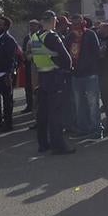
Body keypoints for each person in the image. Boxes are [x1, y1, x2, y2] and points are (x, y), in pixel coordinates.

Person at [30, 11, 75, 155]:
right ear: (52, 20)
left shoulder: (35, 37)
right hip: (54, 77)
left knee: (42, 114)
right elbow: (66, 58)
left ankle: (43, 144)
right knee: (55, 114)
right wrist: (67, 70)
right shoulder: (52, 36)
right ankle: (59, 146)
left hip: (42, 76)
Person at [67, 15, 103, 140]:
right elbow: (66, 52)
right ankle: (83, 129)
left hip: (90, 75)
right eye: (74, 22)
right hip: (76, 75)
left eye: (78, 22)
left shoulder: (90, 35)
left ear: (83, 22)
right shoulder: (70, 36)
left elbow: (97, 52)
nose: (76, 25)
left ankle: (96, 129)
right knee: (79, 104)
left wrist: (91, 67)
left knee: (93, 104)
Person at [0, 16, 19, 133]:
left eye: (0, 24)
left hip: (4, 75)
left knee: (7, 101)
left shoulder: (9, 40)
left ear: (6, 27)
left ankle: (8, 124)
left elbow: (13, 59)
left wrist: (9, 74)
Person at [22, 20, 40, 114]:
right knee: (28, 86)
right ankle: (29, 105)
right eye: (30, 25)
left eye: (34, 25)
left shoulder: (39, 36)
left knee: (36, 87)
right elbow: (25, 51)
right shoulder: (27, 38)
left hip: (37, 65)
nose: (32, 27)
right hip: (29, 65)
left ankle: (36, 109)